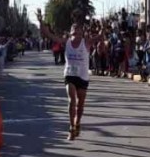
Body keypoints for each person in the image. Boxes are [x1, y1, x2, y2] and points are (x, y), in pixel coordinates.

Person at [36, 9, 103, 140]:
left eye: (78, 31)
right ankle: (71, 127)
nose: (75, 34)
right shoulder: (66, 42)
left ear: (81, 33)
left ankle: (78, 123)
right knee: (72, 100)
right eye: (73, 31)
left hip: (83, 76)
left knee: (80, 104)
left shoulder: (86, 42)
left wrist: (102, 27)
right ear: (71, 32)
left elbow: (100, 37)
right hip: (70, 75)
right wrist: (41, 21)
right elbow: (48, 35)